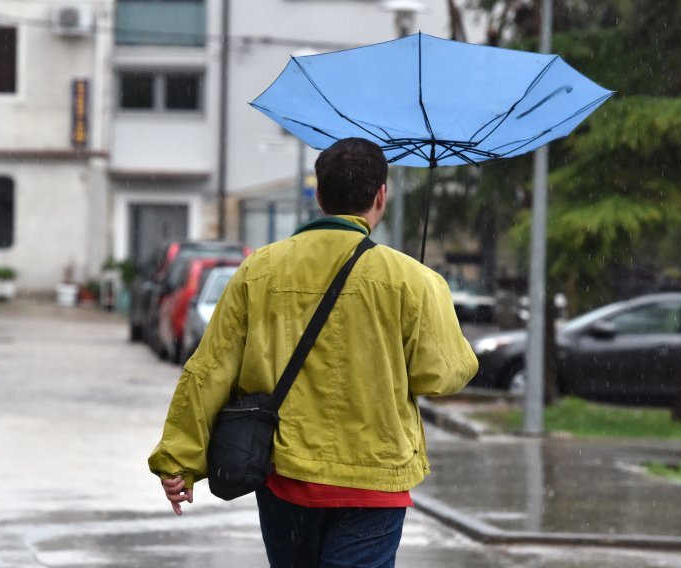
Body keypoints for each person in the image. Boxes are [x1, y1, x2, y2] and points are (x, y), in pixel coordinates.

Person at [148, 137, 478, 567]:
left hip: (287, 478)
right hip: (374, 482)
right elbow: (441, 375)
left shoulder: (259, 269)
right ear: (381, 195)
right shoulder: (413, 280)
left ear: (320, 196)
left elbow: (211, 368)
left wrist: (179, 459)